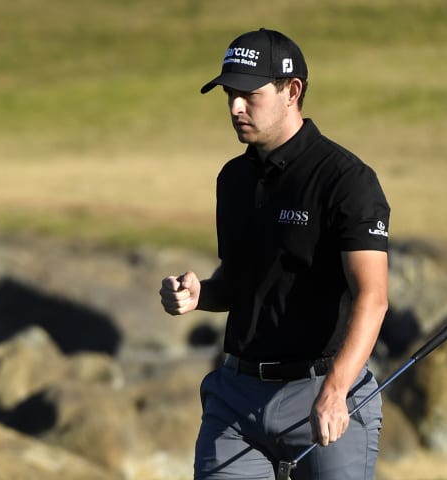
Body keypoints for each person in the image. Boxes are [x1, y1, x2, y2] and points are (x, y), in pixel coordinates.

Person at [160, 28, 390, 480]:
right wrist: (199, 294)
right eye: (229, 94)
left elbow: (373, 296)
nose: (235, 108)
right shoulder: (234, 179)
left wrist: (338, 388)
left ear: (292, 91)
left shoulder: (345, 180)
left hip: (323, 390)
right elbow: (242, 281)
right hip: (237, 399)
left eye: (248, 94)